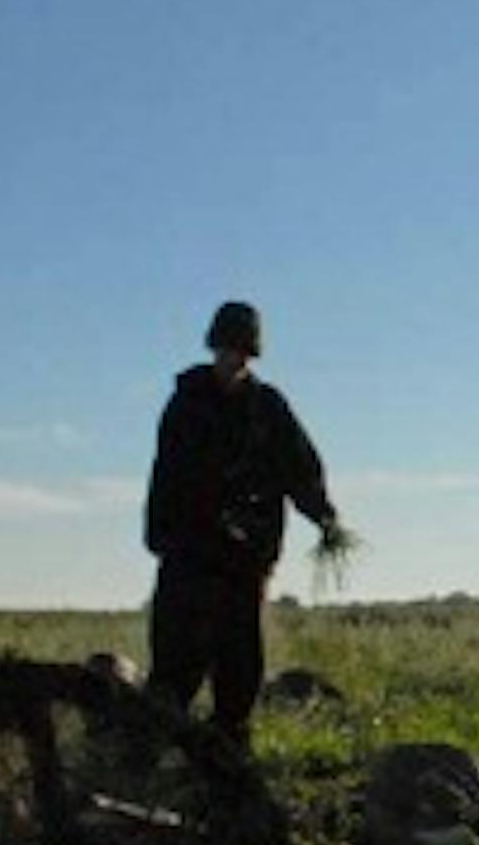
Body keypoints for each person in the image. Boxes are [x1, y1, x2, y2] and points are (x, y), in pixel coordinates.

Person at [144, 301, 346, 754]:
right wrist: (163, 536)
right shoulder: (186, 403)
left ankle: (230, 764)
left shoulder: (267, 408)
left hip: (245, 560)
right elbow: (167, 474)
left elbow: (300, 468)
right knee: (175, 665)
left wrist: (323, 515)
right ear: (214, 347)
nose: (233, 360)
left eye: (242, 352)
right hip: (190, 556)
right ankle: (149, 760)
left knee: (238, 669)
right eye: (227, 349)